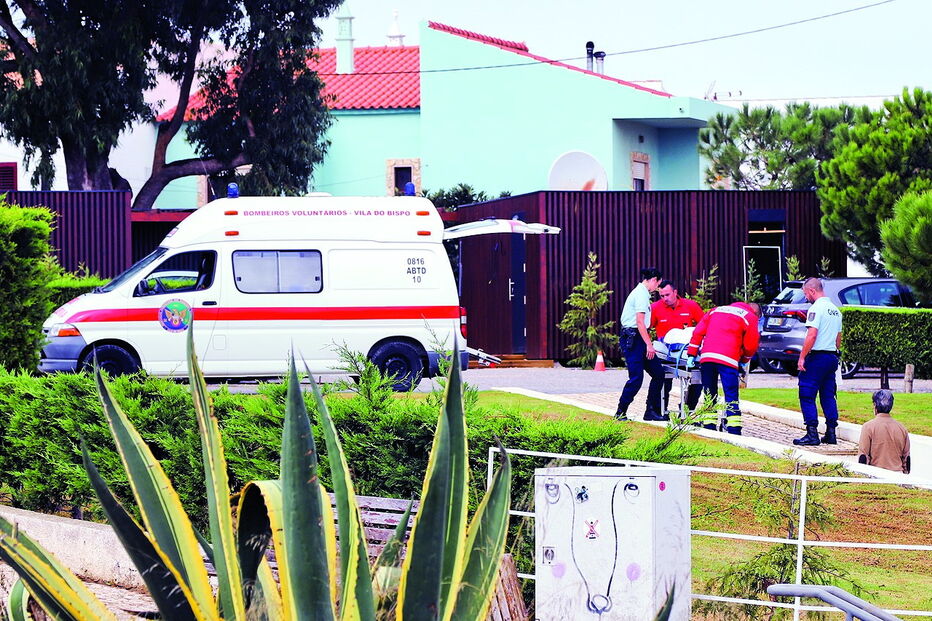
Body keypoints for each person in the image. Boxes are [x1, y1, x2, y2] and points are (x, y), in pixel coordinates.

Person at [685, 301, 761, 435]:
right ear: (756, 313)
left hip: (707, 357)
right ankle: (734, 428)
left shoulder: (716, 310)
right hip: (729, 359)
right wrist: (744, 360)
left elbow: (698, 332)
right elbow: (751, 345)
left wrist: (691, 353)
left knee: (709, 393)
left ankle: (709, 425)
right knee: (731, 394)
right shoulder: (749, 317)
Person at [792, 277, 843, 446]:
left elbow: (812, 335)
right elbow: (838, 339)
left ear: (812, 291)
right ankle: (831, 433)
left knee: (806, 394)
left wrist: (802, 357)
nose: (806, 297)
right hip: (831, 357)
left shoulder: (816, 309)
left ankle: (812, 434)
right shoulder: (836, 310)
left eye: (806, 293)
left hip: (817, 357)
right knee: (828, 394)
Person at [614, 267, 665, 421]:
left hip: (638, 338)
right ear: (654, 280)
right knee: (636, 378)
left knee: (658, 373)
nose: (657, 289)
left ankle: (651, 411)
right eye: (658, 285)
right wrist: (649, 345)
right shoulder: (641, 294)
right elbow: (640, 322)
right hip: (634, 338)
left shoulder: (641, 292)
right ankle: (620, 412)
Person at [650, 280, 705, 415]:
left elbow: (704, 324)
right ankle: (661, 410)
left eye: (667, 295)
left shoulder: (690, 306)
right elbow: (646, 327)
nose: (665, 299)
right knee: (663, 381)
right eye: (662, 296)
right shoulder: (655, 308)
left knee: (697, 380)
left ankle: (687, 408)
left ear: (675, 292)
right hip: (666, 351)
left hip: (687, 350)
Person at [858, 390, 910, 474]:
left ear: (875, 405)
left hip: (876, 475)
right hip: (898, 475)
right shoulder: (902, 428)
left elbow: (863, 457)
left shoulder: (868, 427)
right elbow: (906, 458)